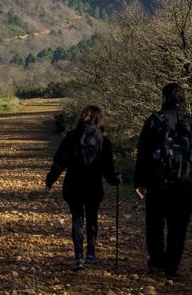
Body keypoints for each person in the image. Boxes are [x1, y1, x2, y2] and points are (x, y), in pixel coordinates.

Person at [134, 83, 192, 281]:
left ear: (164, 98)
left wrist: (140, 181)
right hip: (184, 184)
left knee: (154, 223)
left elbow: (143, 153)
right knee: (178, 226)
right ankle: (171, 267)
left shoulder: (154, 120)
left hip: (157, 182)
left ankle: (156, 262)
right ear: (183, 99)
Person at [45, 105, 121, 271]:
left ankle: (78, 256)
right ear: (100, 120)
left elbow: (59, 161)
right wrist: (115, 180)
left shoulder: (71, 137)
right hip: (93, 185)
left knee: (77, 218)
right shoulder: (103, 141)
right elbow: (108, 168)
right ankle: (91, 253)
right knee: (92, 217)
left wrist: (50, 180)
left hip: (73, 185)